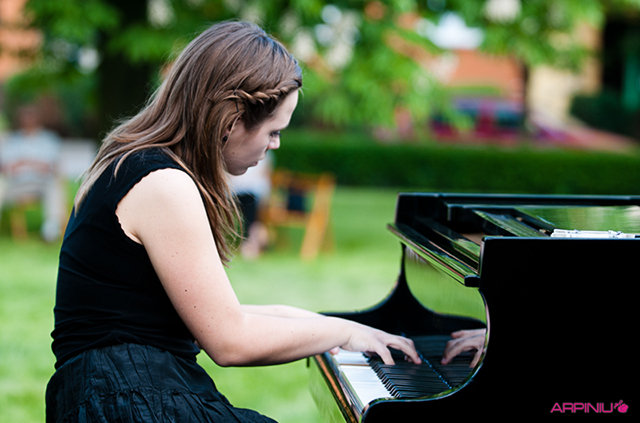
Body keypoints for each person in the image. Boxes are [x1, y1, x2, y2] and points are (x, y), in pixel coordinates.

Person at [45, 21, 422, 423]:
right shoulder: (162, 183)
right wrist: (341, 334)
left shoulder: (138, 164)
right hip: (127, 402)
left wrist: (341, 326)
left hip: (124, 390)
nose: (275, 144)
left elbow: (222, 313)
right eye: (273, 131)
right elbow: (229, 340)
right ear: (232, 119)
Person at [0, 105, 65, 242]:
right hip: (16, 184)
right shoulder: (12, 140)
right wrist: (34, 163)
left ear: (38, 119)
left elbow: (52, 167)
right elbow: (5, 167)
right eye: (25, 117)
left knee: (54, 184)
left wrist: (24, 162)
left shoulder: (49, 140)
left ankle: (51, 231)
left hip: (41, 183)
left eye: (31, 117)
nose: (28, 120)